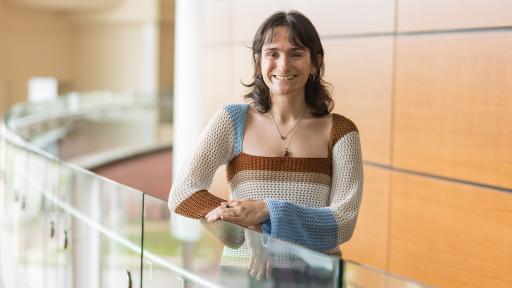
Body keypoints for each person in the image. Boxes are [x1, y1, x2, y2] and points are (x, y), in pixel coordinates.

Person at [168, 10, 363, 283]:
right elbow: (182, 193)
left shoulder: (341, 132)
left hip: (315, 278)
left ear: (315, 63)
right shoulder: (232, 119)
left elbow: (343, 222)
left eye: (296, 53)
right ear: (259, 61)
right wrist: (246, 226)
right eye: (273, 53)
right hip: (244, 276)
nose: (283, 66)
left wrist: (267, 212)